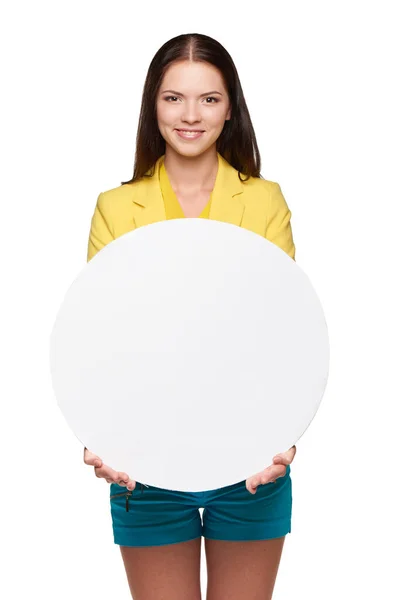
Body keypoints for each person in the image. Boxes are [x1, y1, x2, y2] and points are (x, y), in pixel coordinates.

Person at [84, 32, 297, 600]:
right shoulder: (114, 207)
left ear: (231, 110)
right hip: (145, 464)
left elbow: (285, 335)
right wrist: (98, 436)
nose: (191, 115)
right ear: (153, 107)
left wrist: (288, 438)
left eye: (209, 98)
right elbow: (98, 341)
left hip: (251, 459)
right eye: (173, 98)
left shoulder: (265, 201)